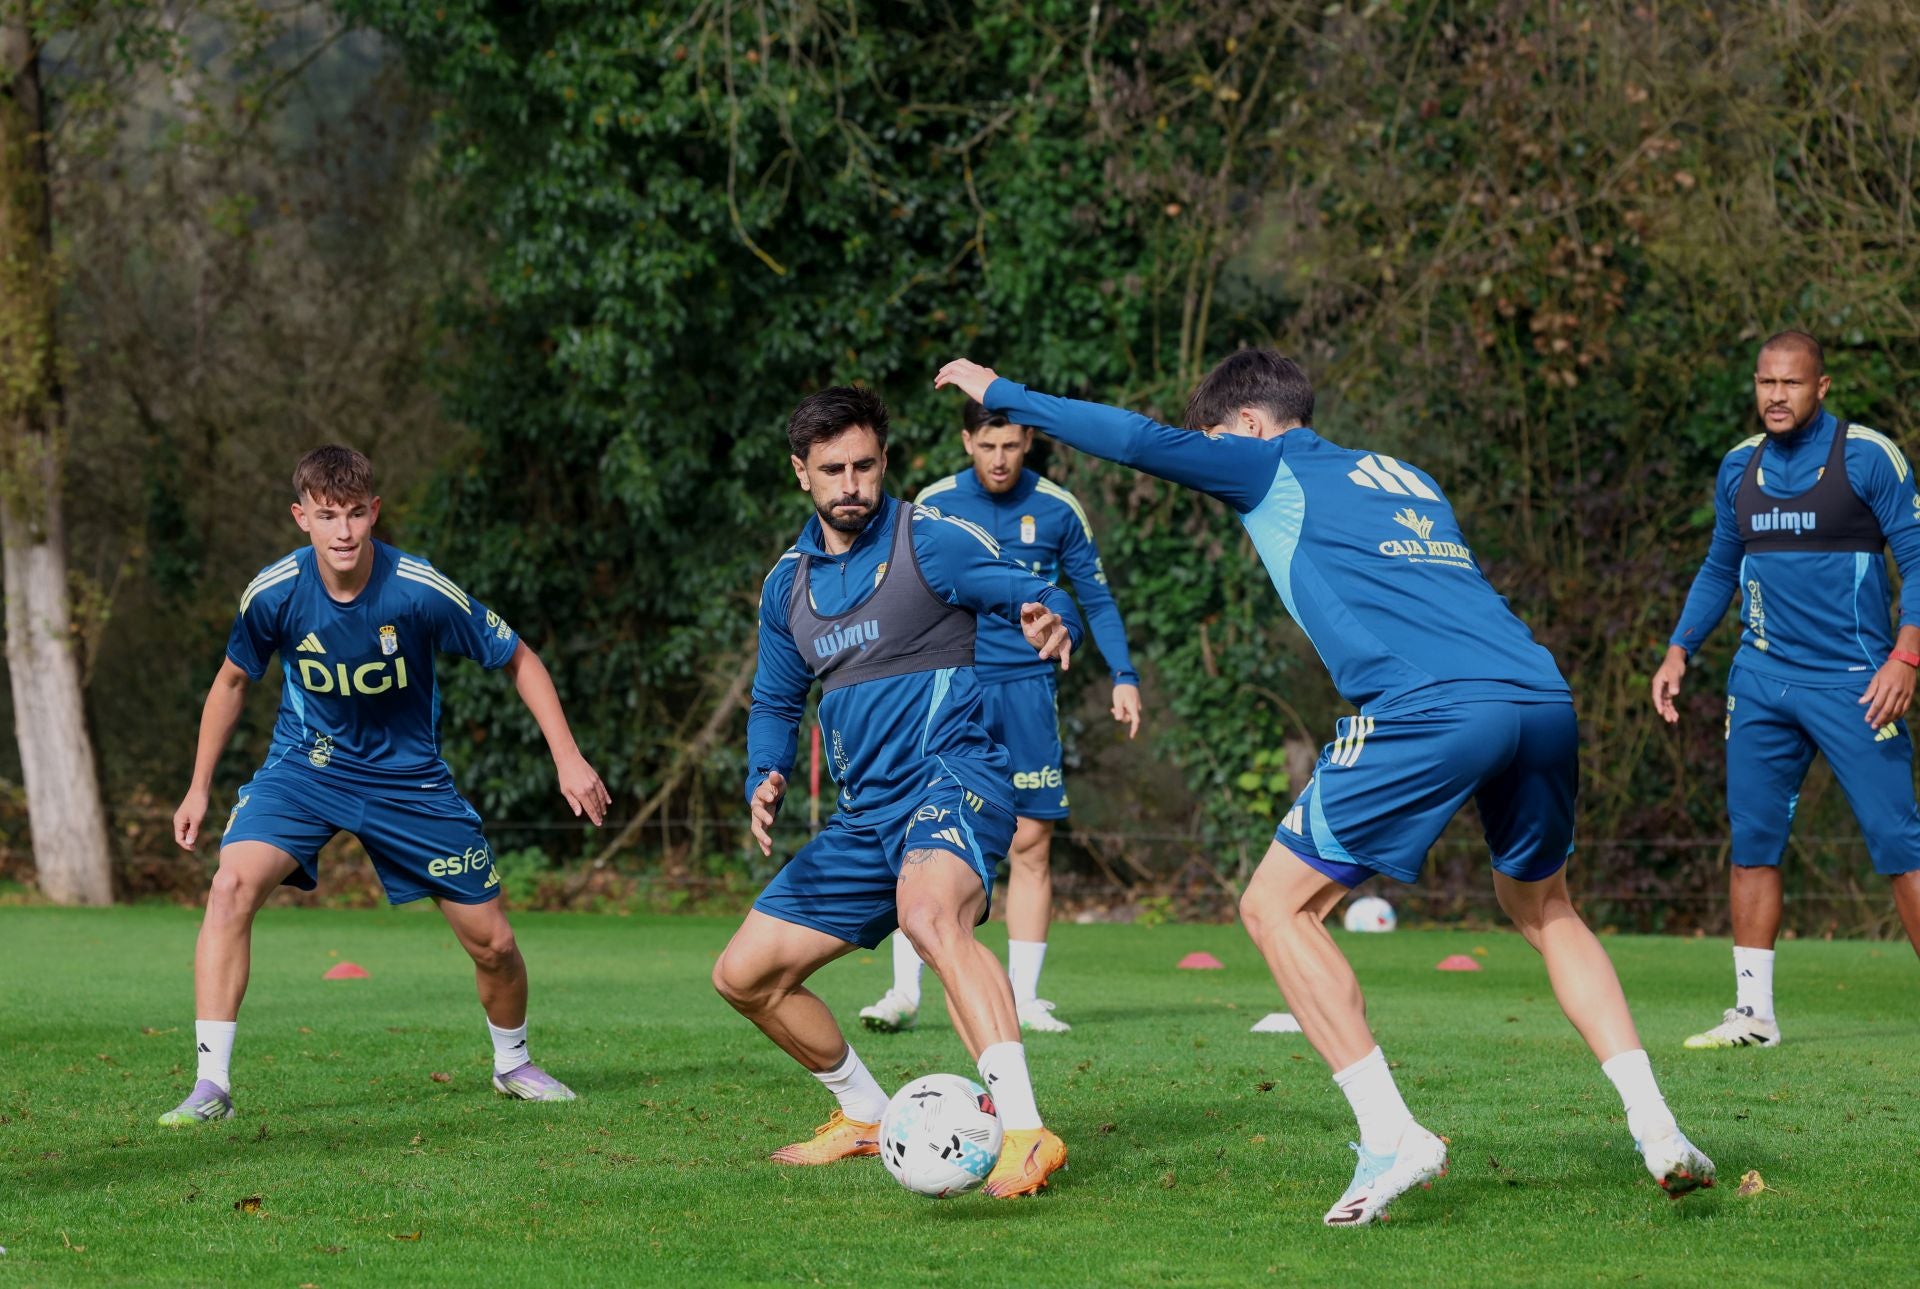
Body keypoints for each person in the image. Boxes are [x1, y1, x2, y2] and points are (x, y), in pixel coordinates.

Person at [933, 352, 1714, 1224]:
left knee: (1275, 907)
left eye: (1214, 440)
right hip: (1539, 694)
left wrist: (1005, 396)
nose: (1212, 456)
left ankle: (1391, 1135)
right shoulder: (1406, 476)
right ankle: (1657, 1126)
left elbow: (1135, 441)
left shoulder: (1267, 461)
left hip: (1432, 706)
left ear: (1247, 425)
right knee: (1545, 907)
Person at [161, 446, 610, 1125]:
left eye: (354, 514)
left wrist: (568, 757)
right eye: (326, 516)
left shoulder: (419, 589)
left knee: (493, 943)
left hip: (409, 782)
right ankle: (210, 1086)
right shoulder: (273, 592)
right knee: (229, 887)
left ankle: (513, 1063)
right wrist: (198, 787)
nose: (342, 531)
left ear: (374, 511)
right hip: (305, 769)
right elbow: (230, 683)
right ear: (301, 517)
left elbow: (519, 656)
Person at [713, 385, 1084, 1198]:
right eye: (832, 470)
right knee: (743, 974)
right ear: (801, 473)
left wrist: (1051, 614)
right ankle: (864, 1114)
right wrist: (765, 771)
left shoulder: (931, 542)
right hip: (865, 816)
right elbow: (775, 699)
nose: (851, 484)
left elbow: (1032, 588)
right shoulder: (788, 586)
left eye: (864, 465)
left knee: (927, 915)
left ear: (885, 460)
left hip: (953, 780)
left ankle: (1027, 1131)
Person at [1652, 331, 1920, 1049]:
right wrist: (1679, 649)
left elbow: (1918, 558)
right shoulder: (1739, 466)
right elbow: (1719, 566)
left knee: (1899, 841)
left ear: (1821, 387)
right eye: (1765, 382)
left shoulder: (1869, 456)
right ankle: (1754, 1015)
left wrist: (1906, 655)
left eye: (1791, 383)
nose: (1776, 396)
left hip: (1857, 682)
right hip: (1761, 681)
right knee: (1753, 840)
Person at [861, 399, 1142, 1035]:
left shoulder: (1059, 508)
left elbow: (1095, 598)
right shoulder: (933, 504)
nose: (999, 459)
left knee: (1031, 842)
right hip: (949, 685)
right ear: (967, 442)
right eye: (987, 446)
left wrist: (1124, 676)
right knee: (917, 828)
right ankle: (903, 992)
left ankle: (1026, 998)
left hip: (1028, 690)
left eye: (1010, 446)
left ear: (1028, 442)